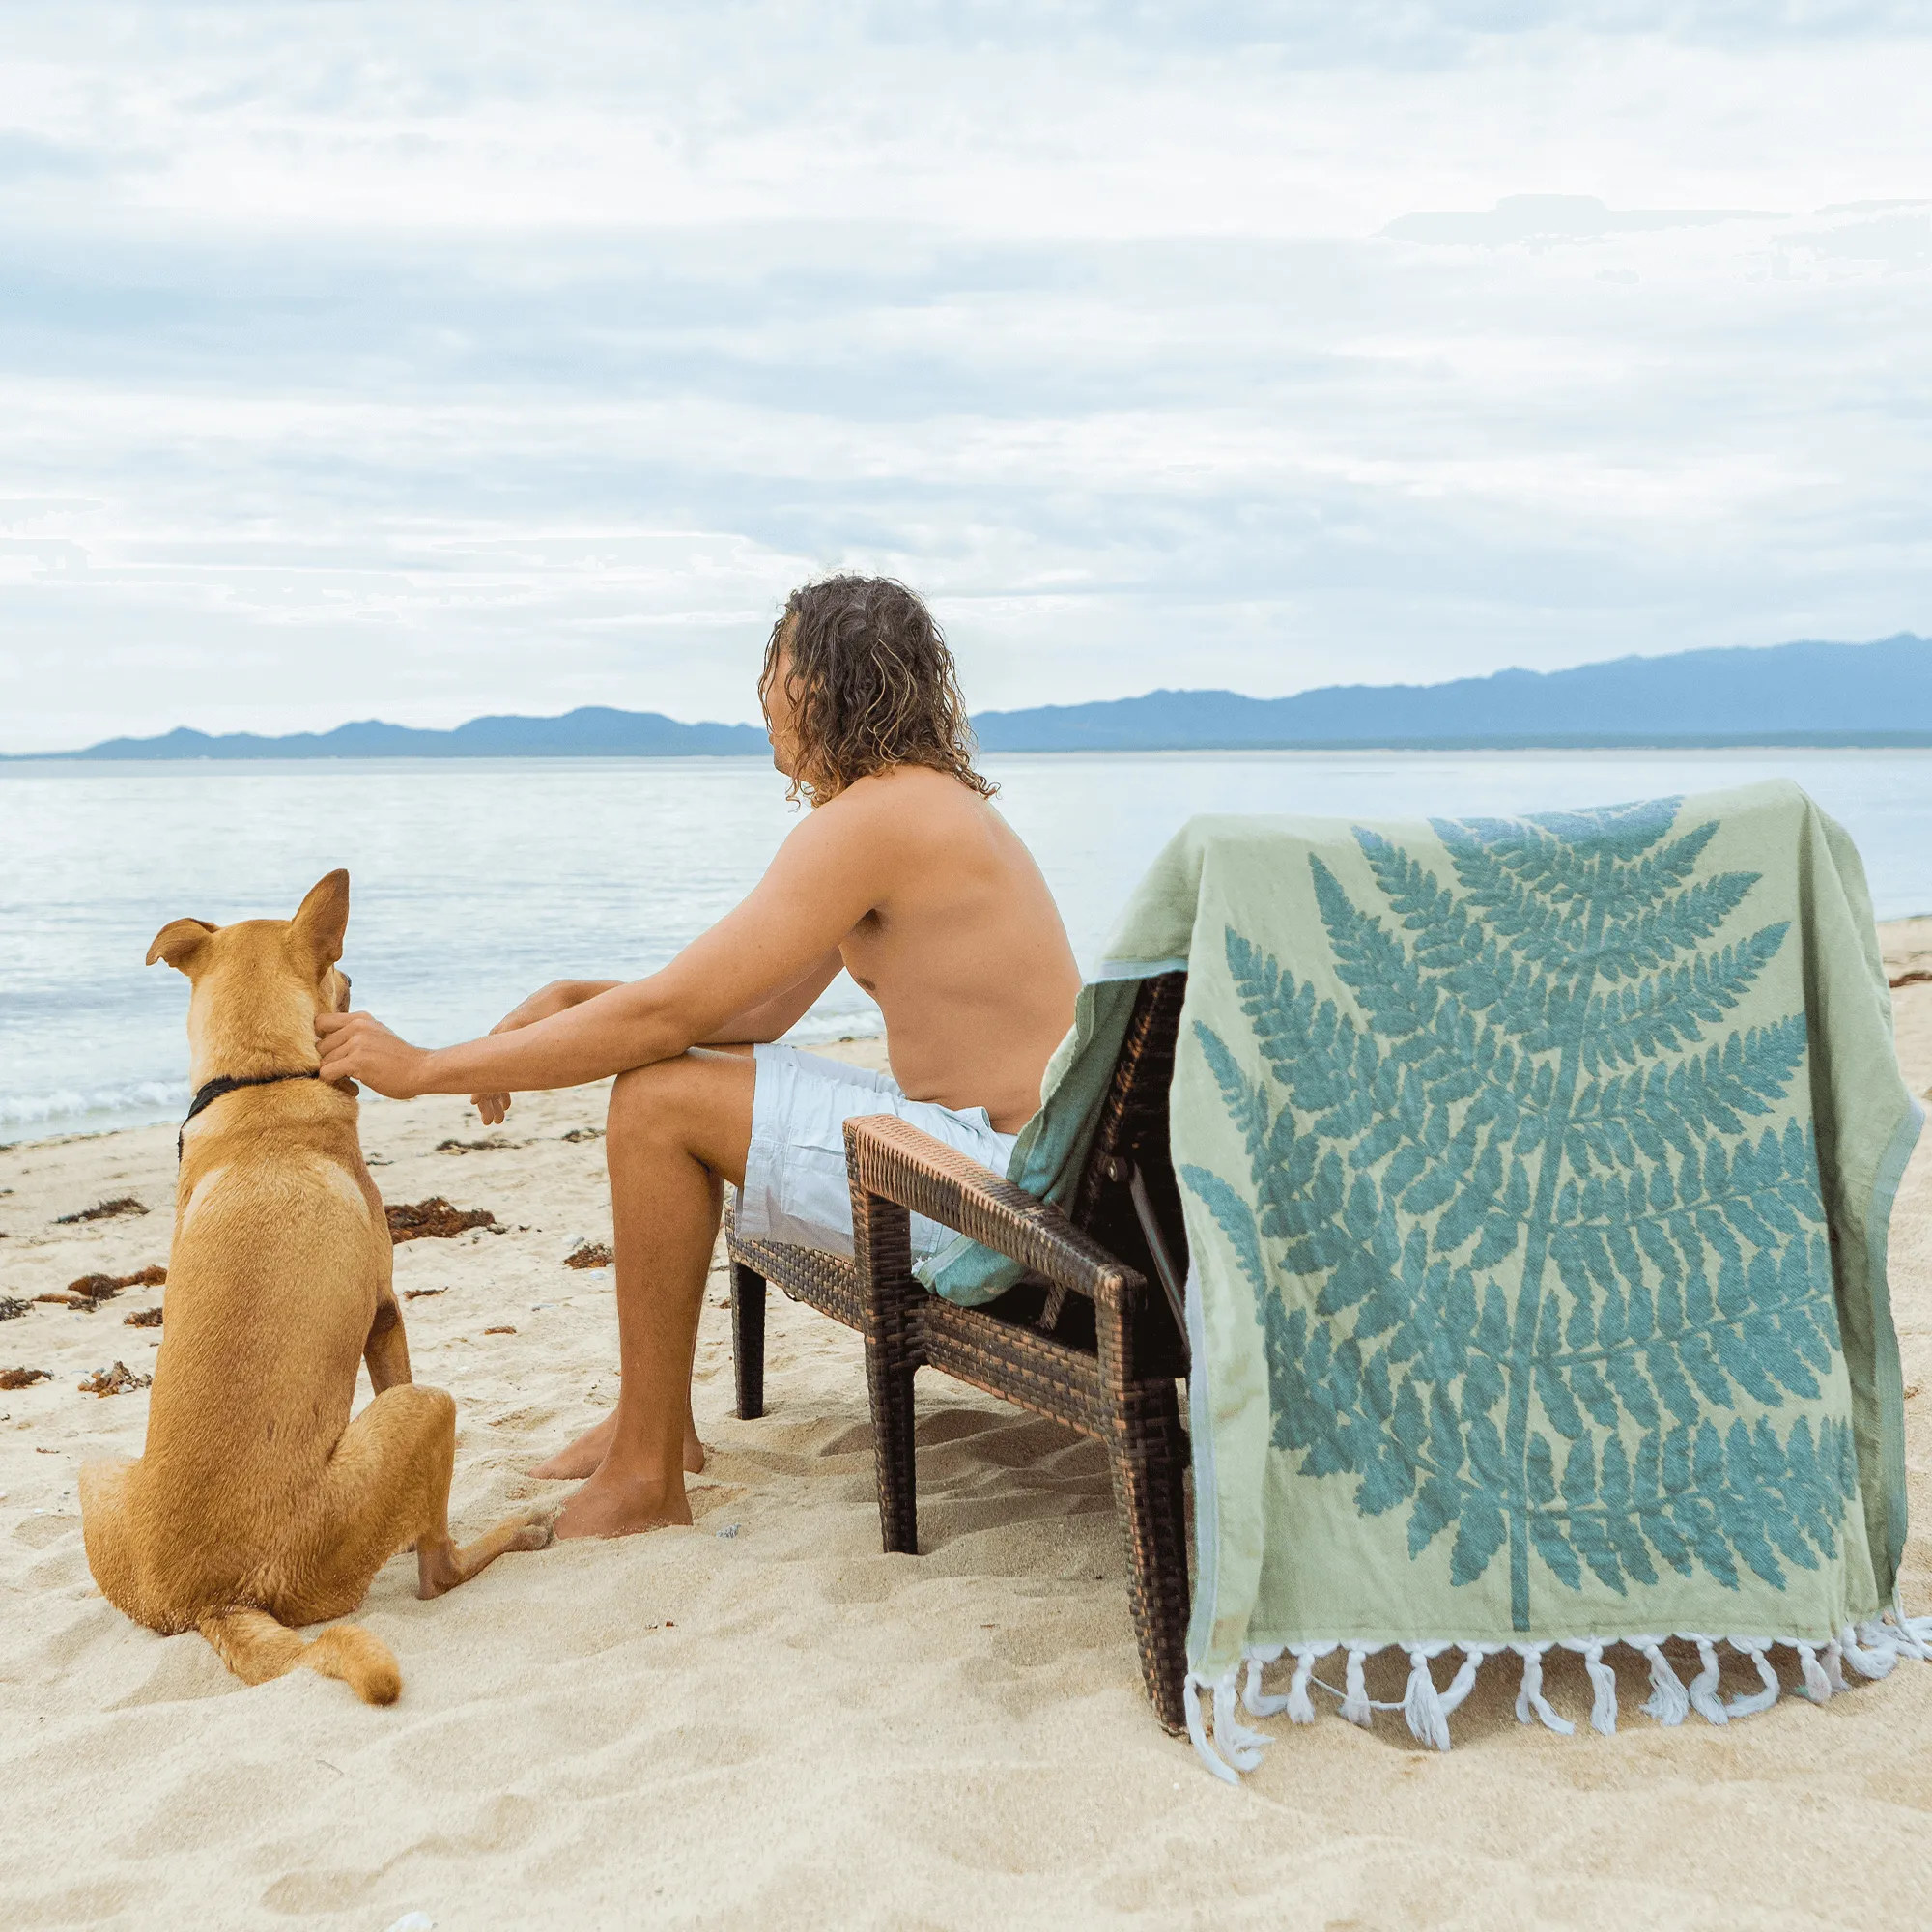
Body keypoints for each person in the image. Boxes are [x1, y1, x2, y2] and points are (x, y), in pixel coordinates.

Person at [317, 576, 1083, 1539]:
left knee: (658, 1101)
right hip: (1009, 1159)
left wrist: (428, 1066)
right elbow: (744, 1012)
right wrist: (565, 1000)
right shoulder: (914, 807)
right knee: (665, 1079)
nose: (760, 694)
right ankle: (657, 1425)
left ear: (819, 682)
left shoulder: (874, 817)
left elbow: (671, 1015)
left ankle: (646, 1468)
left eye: (773, 667)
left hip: (995, 1198)